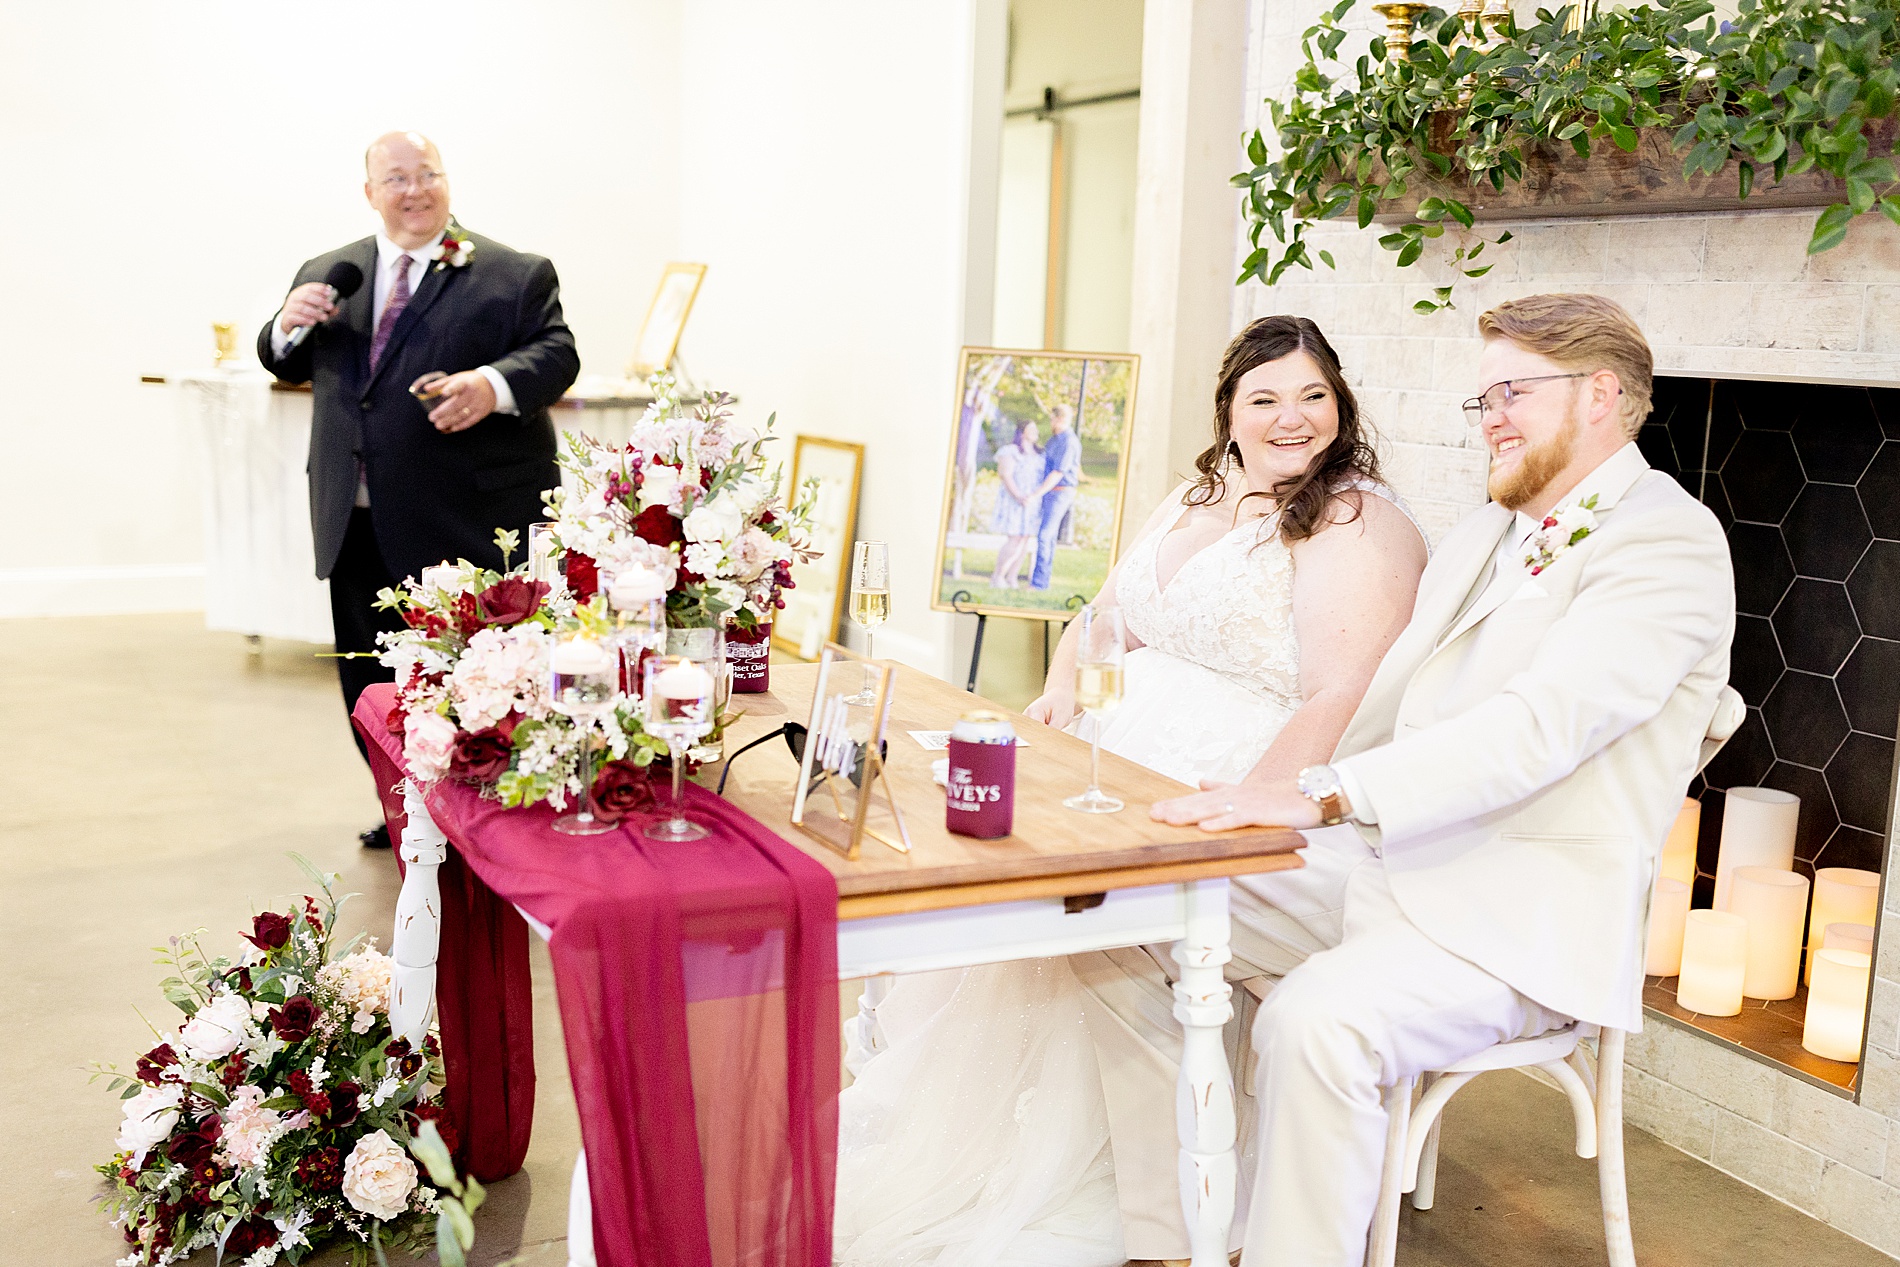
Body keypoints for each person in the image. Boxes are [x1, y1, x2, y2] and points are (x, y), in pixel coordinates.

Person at [1143, 293, 1735, 1266]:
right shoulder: (1479, 535)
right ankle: (1175, 1220)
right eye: (1482, 398)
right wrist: (1253, 800)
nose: (1490, 415)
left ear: (1599, 395)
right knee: (1133, 892)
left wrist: (1326, 792)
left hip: (1513, 921)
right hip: (1390, 869)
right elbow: (1380, 706)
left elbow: (1540, 727)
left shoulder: (1667, 544)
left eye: (1510, 391)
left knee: (1314, 1023)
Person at [831, 316, 1430, 1266]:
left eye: (1313, 394)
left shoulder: (1355, 518)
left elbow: (1337, 695)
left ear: (1341, 403)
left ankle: (1164, 1205)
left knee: (1092, 917)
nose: (1292, 418)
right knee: (999, 878)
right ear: (1229, 413)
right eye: (1265, 398)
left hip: (1243, 790)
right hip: (1112, 763)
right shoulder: (1198, 495)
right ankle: (1038, 1153)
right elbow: (1100, 616)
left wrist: (1248, 805)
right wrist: (1065, 689)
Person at [257, 130, 580, 848]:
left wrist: (488, 386)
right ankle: (404, 807)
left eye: (427, 173)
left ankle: (482, 817)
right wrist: (284, 325)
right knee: (369, 676)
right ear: (369, 193)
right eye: (396, 177)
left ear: (447, 181)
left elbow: (558, 355)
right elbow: (284, 356)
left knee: (471, 678)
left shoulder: (512, 272)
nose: (415, 189)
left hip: (464, 519)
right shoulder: (330, 271)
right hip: (356, 518)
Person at [1027, 403, 1082, 591]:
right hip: (1052, 492)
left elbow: (1058, 472)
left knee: (1045, 535)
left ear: (1060, 419)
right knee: (1046, 537)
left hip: (1060, 492)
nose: (1050, 422)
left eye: (1052, 418)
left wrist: (1036, 494)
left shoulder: (1068, 442)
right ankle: (1040, 581)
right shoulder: (1055, 439)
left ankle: (1039, 583)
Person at [989, 419, 1042, 589]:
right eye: (1031, 428)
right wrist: (1019, 496)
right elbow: (1006, 475)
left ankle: (1012, 578)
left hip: (1032, 502)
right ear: (1022, 431)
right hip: (1015, 501)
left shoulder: (1039, 454)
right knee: (1014, 539)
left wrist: (1032, 497)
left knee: (1024, 540)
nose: (1035, 431)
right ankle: (998, 576)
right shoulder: (1010, 451)